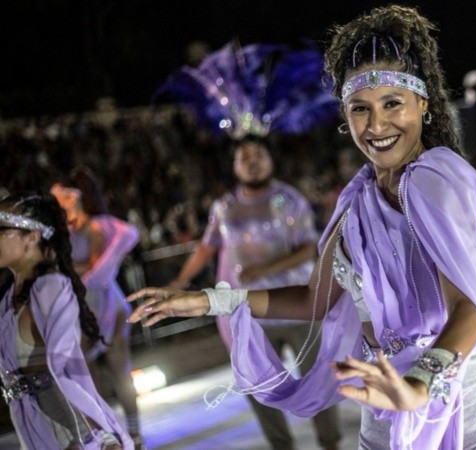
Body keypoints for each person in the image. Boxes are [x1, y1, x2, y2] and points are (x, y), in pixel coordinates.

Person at [127, 5, 476, 449]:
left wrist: (420, 386)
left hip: (467, 397)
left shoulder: (435, 180)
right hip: (384, 398)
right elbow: (315, 300)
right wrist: (210, 300)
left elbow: (468, 308)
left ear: (424, 105)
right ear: (345, 116)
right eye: (360, 108)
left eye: (392, 104)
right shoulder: (355, 203)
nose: (377, 125)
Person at [166, 135, 342, 450]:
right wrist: (179, 282)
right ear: (234, 166)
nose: (252, 161)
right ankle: (280, 444)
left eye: (258, 154)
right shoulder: (224, 207)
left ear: (270, 159)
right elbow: (207, 248)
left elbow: (307, 250)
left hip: (297, 305)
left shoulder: (289, 199)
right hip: (250, 315)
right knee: (256, 384)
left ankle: (330, 443)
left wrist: (265, 270)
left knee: (320, 379)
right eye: (244, 156)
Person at [0, 192, 133, 449]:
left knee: (119, 367)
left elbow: (62, 375)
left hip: (72, 435)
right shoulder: (7, 301)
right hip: (37, 432)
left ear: (32, 237)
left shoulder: (49, 288)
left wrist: (96, 439)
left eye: (2, 228)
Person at [51, 167, 146, 449]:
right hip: (84, 304)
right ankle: (107, 433)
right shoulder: (66, 230)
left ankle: (132, 432)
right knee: (88, 374)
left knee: (118, 369)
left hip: (104, 302)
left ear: (74, 197)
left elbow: (95, 269)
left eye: (62, 195)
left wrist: (67, 267)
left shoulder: (92, 227)